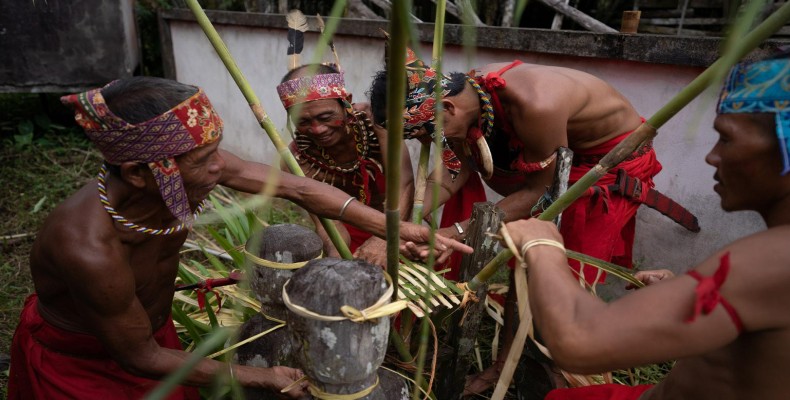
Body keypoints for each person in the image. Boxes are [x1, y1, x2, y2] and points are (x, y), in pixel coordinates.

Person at [6, 77, 471, 399]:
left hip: (153, 338)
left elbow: (299, 188)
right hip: (85, 362)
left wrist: (394, 228)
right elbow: (139, 356)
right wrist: (261, 376)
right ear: (138, 172)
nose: (221, 167)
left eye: (217, 152)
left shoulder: (172, 171)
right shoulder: (87, 248)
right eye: (205, 160)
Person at [369, 50, 698, 395]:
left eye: (431, 133)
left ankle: (562, 372)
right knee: (522, 264)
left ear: (447, 109)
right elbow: (451, 174)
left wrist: (455, 232)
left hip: (605, 169)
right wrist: (402, 227)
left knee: (556, 273)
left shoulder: (535, 105)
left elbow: (540, 189)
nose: (435, 142)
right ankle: (505, 366)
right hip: (559, 166)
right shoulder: (465, 100)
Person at [500, 53, 790, 399]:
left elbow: (580, 341)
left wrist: (542, 244)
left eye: (726, 139)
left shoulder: (772, 261)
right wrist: (683, 292)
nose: (712, 156)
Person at [277, 63, 414, 266]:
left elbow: (405, 185)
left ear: (346, 102)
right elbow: (327, 223)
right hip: (348, 237)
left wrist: (385, 239)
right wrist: (338, 261)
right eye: (303, 122)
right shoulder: (295, 161)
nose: (317, 130)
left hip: (399, 222)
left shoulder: (375, 123)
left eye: (325, 117)